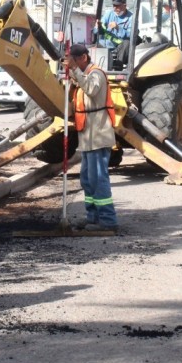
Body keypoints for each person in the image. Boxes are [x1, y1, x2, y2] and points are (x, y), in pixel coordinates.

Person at [66, 43, 118, 232]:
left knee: (98, 178)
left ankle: (107, 220)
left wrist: (74, 71)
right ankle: (93, 217)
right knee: (87, 179)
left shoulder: (96, 74)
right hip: (88, 137)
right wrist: (70, 73)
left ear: (83, 58)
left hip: (99, 134)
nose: (73, 63)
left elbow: (90, 89)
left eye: (74, 60)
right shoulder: (82, 74)